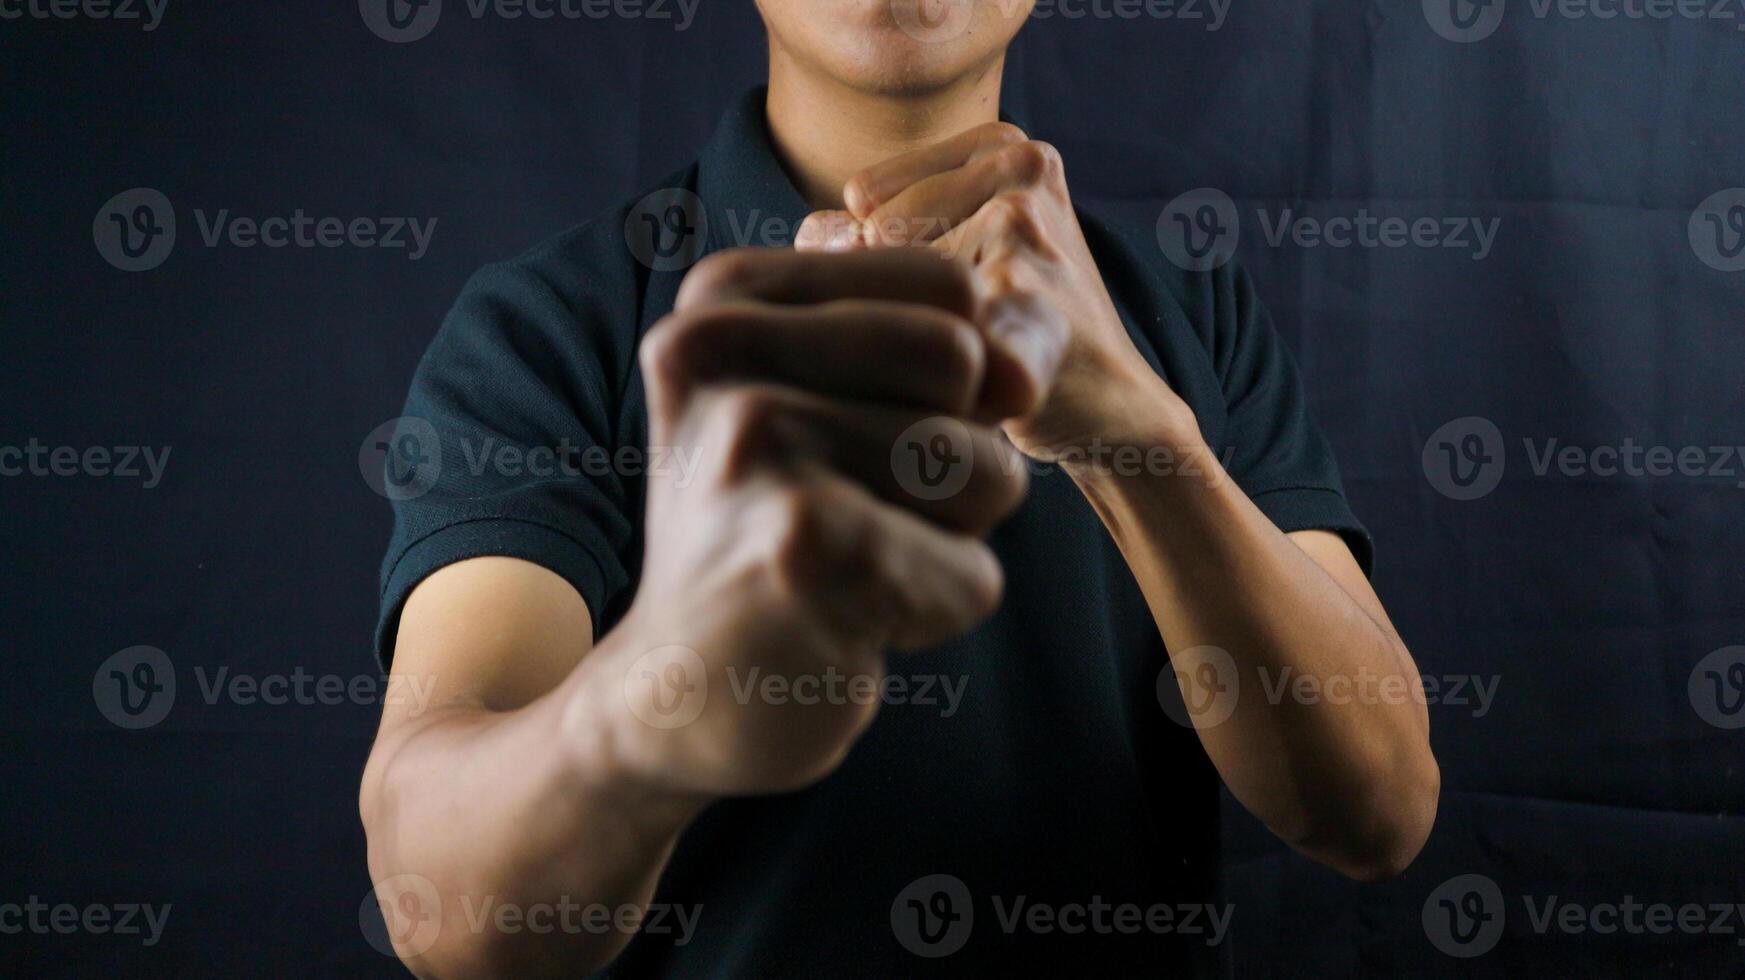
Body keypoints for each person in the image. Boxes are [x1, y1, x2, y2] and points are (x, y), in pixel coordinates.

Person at [359, 1, 1440, 975]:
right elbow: (443, 911)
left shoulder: (1188, 312)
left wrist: (1135, 436)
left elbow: (1377, 809)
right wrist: (662, 688)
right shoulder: (549, 328)